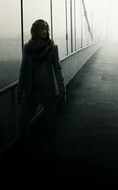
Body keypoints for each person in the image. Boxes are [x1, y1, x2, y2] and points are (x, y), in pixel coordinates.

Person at [17, 19, 66, 156]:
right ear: (35, 31)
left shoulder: (52, 48)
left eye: (46, 28)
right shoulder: (27, 48)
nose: (44, 31)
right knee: (22, 123)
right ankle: (27, 151)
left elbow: (57, 69)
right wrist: (20, 90)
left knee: (51, 125)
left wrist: (62, 89)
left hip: (48, 91)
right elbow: (23, 70)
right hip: (31, 91)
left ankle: (51, 153)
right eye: (41, 29)